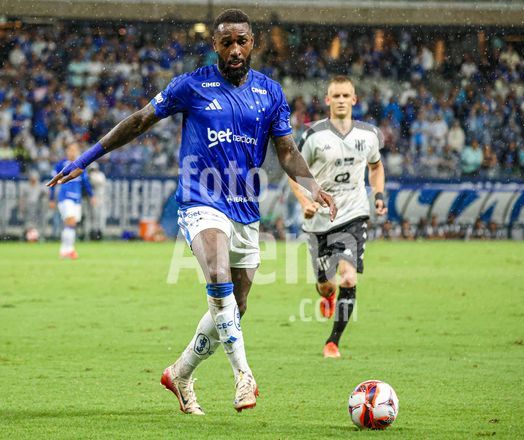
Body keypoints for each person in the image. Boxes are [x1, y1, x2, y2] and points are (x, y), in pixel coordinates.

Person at [48, 9, 336, 415]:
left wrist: (312, 186)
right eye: (226, 42)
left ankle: (180, 374)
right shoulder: (191, 85)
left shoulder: (270, 92)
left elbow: (286, 150)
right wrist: (86, 158)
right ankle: (244, 376)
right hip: (201, 199)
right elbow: (140, 120)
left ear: (252, 43)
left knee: (236, 306)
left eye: (241, 41)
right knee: (217, 275)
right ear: (215, 45)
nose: (234, 50)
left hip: (245, 208)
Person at [288, 76, 386, 359]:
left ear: (354, 99)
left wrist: (378, 195)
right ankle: (328, 296)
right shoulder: (314, 135)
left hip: (353, 213)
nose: (341, 100)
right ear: (327, 100)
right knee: (325, 285)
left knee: (348, 278)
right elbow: (294, 171)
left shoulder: (368, 135)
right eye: (336, 96)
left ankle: (332, 342)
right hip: (319, 219)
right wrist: (305, 201)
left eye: (346, 95)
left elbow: (376, 167)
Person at [49, 143, 95, 259]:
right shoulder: (61, 165)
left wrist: (91, 196)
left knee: (71, 224)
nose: (72, 152)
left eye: (75, 150)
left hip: (77, 199)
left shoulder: (81, 165)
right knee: (71, 221)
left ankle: (65, 250)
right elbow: (53, 181)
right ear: (67, 152)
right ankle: (69, 250)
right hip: (65, 198)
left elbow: (85, 182)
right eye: (70, 150)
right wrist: (51, 198)